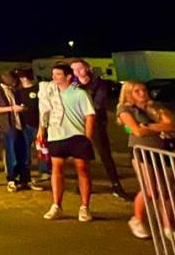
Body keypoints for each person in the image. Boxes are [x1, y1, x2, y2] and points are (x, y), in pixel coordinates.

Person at [116, 81, 175, 239]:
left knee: (167, 191)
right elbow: (136, 131)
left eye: (143, 90)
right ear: (129, 93)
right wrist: (159, 126)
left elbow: (171, 125)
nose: (142, 93)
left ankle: (168, 226)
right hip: (142, 152)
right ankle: (137, 219)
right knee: (150, 190)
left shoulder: (155, 106)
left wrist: (149, 126)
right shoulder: (125, 109)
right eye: (137, 91)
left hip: (163, 151)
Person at [39, 63, 96, 222]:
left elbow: (90, 116)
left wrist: (87, 138)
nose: (53, 77)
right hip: (56, 135)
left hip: (77, 135)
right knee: (56, 169)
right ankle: (57, 205)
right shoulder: (50, 93)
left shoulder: (79, 93)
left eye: (57, 74)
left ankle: (84, 207)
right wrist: (41, 130)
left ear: (68, 76)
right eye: (53, 74)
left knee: (82, 169)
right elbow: (44, 112)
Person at [72, 59, 126, 199]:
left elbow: (98, 104)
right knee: (81, 156)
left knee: (105, 154)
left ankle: (116, 186)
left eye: (80, 68)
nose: (77, 72)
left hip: (96, 124)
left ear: (88, 68)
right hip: (78, 124)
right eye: (73, 70)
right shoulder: (74, 85)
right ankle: (82, 184)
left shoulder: (99, 83)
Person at [0, 71, 41, 192]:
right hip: (8, 126)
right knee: (12, 154)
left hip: (20, 125)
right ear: (2, 78)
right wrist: (12, 108)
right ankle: (12, 180)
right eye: (9, 77)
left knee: (24, 154)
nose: (12, 80)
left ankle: (25, 179)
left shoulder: (15, 90)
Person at [16, 70, 50, 180]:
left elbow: (44, 107)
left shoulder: (38, 89)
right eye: (21, 77)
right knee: (25, 148)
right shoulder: (18, 91)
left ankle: (44, 170)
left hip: (38, 123)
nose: (23, 79)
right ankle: (26, 171)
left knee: (41, 147)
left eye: (25, 76)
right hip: (24, 124)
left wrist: (42, 125)